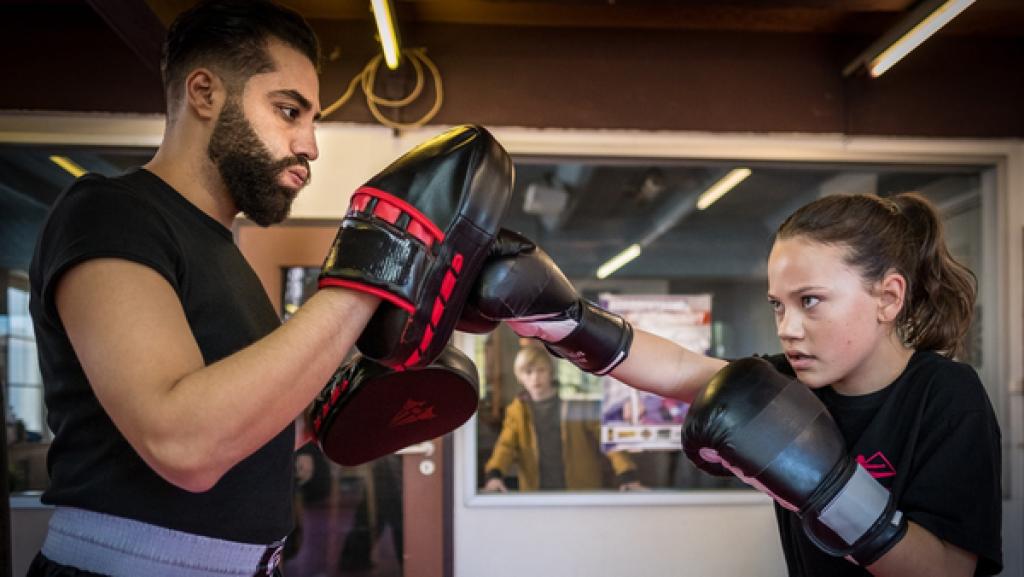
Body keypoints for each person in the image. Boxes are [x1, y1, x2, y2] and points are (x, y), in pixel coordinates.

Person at [25, 1, 503, 575]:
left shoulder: (226, 254)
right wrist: (371, 269)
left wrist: (362, 388)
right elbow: (184, 445)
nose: (310, 144)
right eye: (288, 110)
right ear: (204, 93)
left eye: (312, 119)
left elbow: (241, 427)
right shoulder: (109, 212)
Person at [468, 192, 1002, 576]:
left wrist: (831, 491)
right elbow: (678, 369)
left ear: (888, 298)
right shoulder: (784, 383)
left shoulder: (946, 395)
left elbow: (947, 571)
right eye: (778, 304)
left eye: (810, 301)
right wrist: (567, 321)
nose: (787, 327)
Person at [483, 345, 642, 492]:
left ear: (551, 372)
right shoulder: (517, 411)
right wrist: (494, 474)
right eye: (528, 372)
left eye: (541, 370)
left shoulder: (573, 402)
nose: (535, 377)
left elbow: (606, 438)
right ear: (519, 376)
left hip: (580, 490)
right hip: (537, 493)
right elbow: (506, 446)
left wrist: (626, 473)